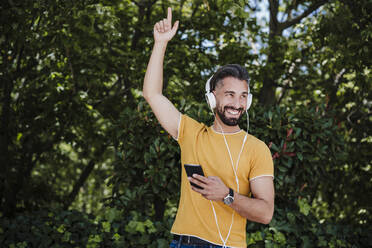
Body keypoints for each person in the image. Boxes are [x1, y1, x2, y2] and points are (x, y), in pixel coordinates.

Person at [143, 7, 274, 248]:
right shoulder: (190, 132)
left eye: (243, 96)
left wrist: (227, 195)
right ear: (212, 98)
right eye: (230, 95)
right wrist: (160, 43)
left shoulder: (257, 149)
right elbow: (152, 94)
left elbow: (265, 213)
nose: (237, 103)